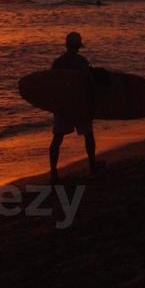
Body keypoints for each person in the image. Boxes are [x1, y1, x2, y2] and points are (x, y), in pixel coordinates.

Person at [49, 31, 99, 182]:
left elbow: (51, 85)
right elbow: (89, 84)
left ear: (66, 45)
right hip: (79, 104)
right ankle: (92, 166)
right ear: (78, 47)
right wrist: (92, 104)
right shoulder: (82, 62)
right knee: (88, 135)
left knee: (57, 138)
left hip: (63, 105)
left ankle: (53, 172)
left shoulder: (57, 63)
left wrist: (54, 104)